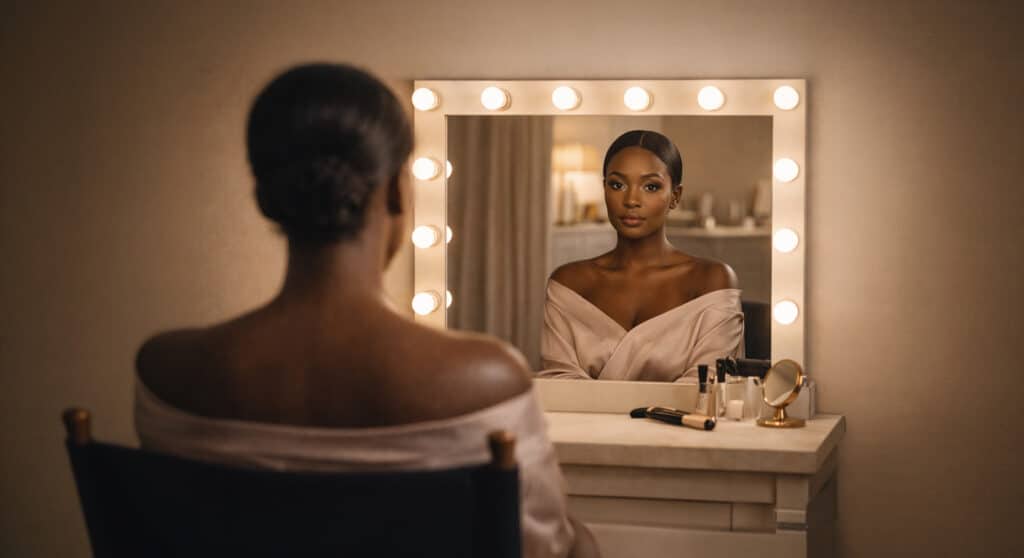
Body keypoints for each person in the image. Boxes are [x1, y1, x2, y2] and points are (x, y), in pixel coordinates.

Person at [134, 63, 597, 558]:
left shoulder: (168, 371)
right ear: (398, 188)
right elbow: (548, 550)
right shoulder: (486, 378)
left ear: (264, 194)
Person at [538, 130, 744, 382]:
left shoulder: (711, 280)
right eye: (617, 185)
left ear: (675, 197)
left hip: (680, 423)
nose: (631, 199)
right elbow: (560, 385)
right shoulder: (570, 283)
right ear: (604, 189)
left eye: (650, 186)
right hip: (585, 423)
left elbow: (708, 388)